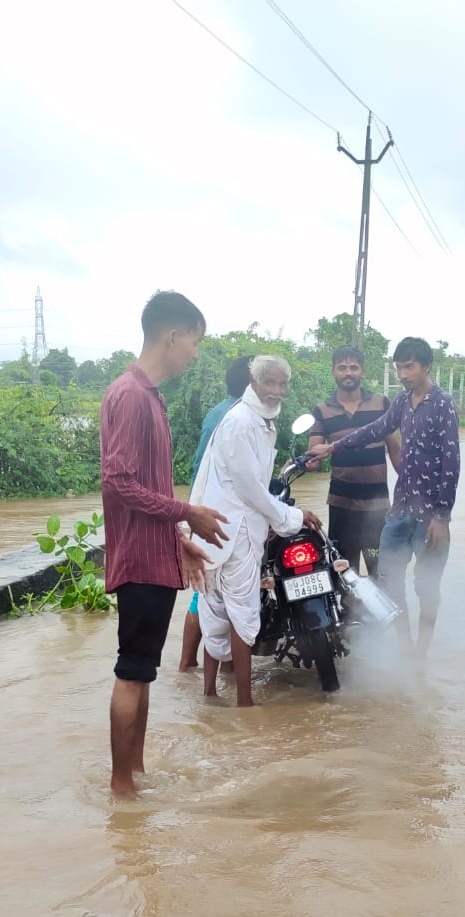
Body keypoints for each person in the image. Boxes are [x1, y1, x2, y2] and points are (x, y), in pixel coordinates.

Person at [100, 291, 229, 795]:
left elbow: (145, 490)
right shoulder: (131, 394)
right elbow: (119, 482)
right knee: (132, 672)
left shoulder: (149, 397)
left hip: (154, 558)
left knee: (145, 672)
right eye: (193, 342)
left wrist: (178, 540)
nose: (194, 353)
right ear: (172, 336)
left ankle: (135, 773)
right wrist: (187, 512)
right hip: (137, 563)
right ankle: (119, 787)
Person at [306, 337, 459, 660]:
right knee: (388, 585)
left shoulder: (442, 403)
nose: (404, 374)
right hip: (400, 512)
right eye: (399, 367)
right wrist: (333, 447)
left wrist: (441, 518)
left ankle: (421, 655)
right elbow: (374, 430)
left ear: (426, 366)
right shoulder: (403, 402)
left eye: (410, 367)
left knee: (427, 589)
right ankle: (405, 650)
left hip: (430, 514)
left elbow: (451, 461)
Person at [191, 355, 321, 707]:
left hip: (222, 530)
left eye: (282, 385)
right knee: (239, 615)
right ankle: (244, 703)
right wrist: (293, 515)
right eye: (271, 384)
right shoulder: (242, 422)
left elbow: (254, 480)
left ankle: (210, 696)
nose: (277, 391)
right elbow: (250, 489)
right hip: (235, 532)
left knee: (215, 611)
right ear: (255, 382)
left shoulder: (258, 421)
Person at [179, 354, 254, 673]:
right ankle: (206, 667)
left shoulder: (218, 411)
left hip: (203, 510)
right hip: (219, 515)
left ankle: (190, 666)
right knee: (210, 595)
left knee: (208, 592)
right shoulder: (239, 415)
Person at [306, 346, 401, 577]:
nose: (348, 373)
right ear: (333, 372)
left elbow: (397, 451)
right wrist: (309, 460)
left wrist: (408, 494)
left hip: (377, 506)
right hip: (341, 506)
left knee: (382, 572)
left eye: (353, 367)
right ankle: (349, 614)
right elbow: (314, 456)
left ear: (362, 372)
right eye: (342, 368)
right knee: (345, 574)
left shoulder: (381, 403)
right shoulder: (321, 410)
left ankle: (388, 613)